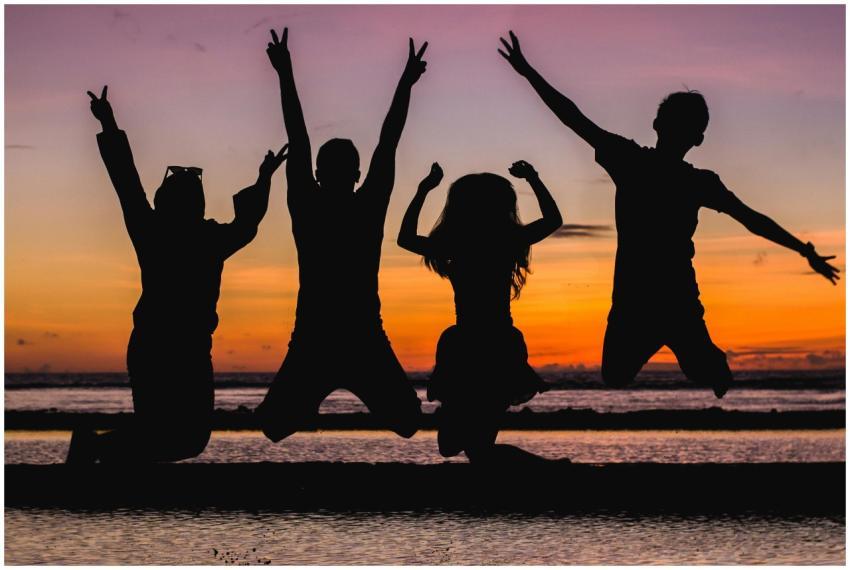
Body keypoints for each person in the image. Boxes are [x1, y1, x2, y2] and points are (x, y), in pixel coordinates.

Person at [497, 31, 840, 398]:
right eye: (676, 122)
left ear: (694, 138)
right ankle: (700, 355)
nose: (678, 131)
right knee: (614, 375)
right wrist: (529, 73)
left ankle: (709, 359)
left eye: (686, 127)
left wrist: (803, 249)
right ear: (662, 127)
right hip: (633, 299)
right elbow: (574, 119)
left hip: (677, 298)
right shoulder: (631, 161)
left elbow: (751, 219)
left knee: (696, 370)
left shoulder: (692, 180)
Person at [67, 86, 287, 463]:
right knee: (177, 438)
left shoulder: (163, 230)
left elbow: (127, 182)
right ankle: (97, 454)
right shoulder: (190, 235)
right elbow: (246, 223)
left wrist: (109, 122)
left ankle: (96, 449)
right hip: (163, 347)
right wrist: (264, 178)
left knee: (182, 438)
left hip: (179, 348)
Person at [255, 29, 426, 441]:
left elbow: (302, 136)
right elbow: (387, 141)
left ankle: (311, 399)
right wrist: (405, 84)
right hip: (329, 336)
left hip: (352, 335)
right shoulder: (352, 205)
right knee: (274, 426)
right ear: (356, 174)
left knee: (407, 421)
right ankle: (311, 399)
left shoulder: (320, 204)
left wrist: (285, 72)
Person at [397, 161, 563, 462]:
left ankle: (548, 471)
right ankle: (546, 471)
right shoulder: (501, 241)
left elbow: (405, 238)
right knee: (459, 447)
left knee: (473, 448)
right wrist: (533, 178)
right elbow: (552, 220)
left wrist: (424, 190)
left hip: (478, 345)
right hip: (490, 344)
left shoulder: (461, 244)